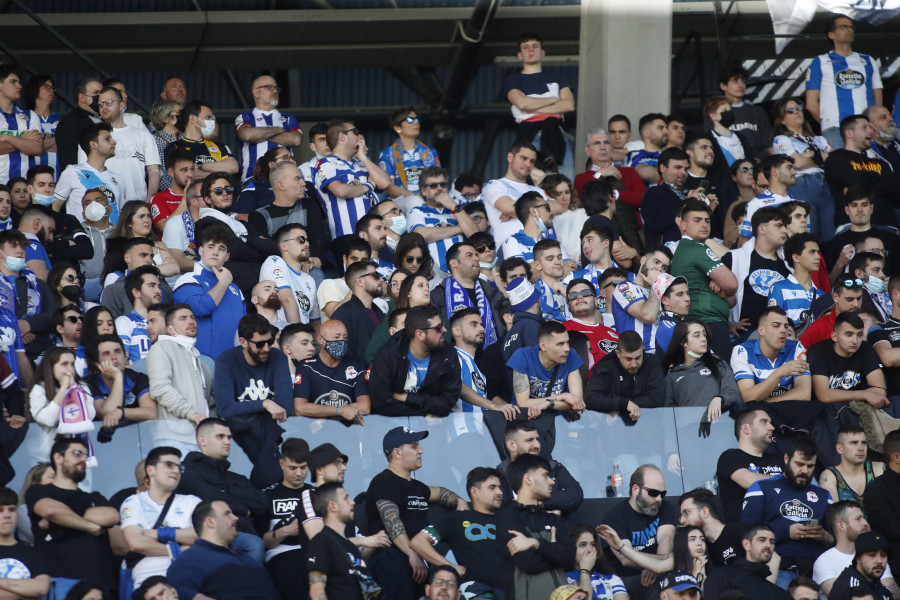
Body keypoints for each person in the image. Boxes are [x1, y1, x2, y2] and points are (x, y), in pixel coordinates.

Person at [364, 426, 467, 600]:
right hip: (393, 555)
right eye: (414, 446)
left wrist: (461, 502)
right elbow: (392, 522)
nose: (421, 450)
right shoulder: (384, 481)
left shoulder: (417, 486)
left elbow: (440, 492)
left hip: (420, 553)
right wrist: (411, 553)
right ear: (397, 453)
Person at [26, 438, 123, 596]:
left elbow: (111, 517)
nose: (84, 459)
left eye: (86, 455)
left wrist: (64, 517)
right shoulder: (39, 492)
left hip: (100, 586)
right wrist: (90, 525)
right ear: (58, 458)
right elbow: (50, 510)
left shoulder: (95, 496)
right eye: (78, 453)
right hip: (60, 582)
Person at [741, 435, 834, 582]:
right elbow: (746, 531)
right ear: (786, 458)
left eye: (810, 466)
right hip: (778, 568)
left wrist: (824, 536)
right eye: (799, 464)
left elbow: (839, 540)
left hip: (819, 571)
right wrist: (786, 531)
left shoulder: (824, 495)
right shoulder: (762, 488)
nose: (804, 471)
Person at [214, 314, 292, 488]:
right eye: (259, 344)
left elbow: (286, 407)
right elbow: (225, 409)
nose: (266, 348)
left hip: (276, 437)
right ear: (243, 342)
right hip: (240, 444)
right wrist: (264, 403)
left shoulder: (277, 357)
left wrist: (248, 408)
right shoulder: (226, 360)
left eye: (270, 342)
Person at [175, 418, 268, 563]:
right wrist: (245, 509)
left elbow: (262, 504)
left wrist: (226, 493)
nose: (227, 442)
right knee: (254, 545)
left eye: (229, 437)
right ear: (202, 441)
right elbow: (211, 499)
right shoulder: (189, 472)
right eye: (220, 436)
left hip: (243, 534)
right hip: (212, 539)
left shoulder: (236, 477)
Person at [409, 467, 506, 597]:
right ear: (475, 492)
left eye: (500, 487)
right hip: (477, 592)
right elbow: (418, 542)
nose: (499, 492)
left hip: (513, 590)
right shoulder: (457, 519)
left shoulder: (509, 519)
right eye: (492, 487)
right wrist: (451, 567)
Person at [808, 312, 887, 461]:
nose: (855, 340)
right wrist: (864, 394)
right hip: (828, 414)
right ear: (834, 336)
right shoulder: (819, 351)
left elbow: (880, 390)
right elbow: (823, 395)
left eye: (859, 335)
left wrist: (863, 395)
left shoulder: (866, 349)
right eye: (849, 334)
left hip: (857, 410)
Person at [496, 453, 576, 600]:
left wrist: (536, 543)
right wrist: (554, 551)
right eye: (545, 475)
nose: (551, 481)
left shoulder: (552, 519)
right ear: (528, 479)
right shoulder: (506, 517)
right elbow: (528, 563)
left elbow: (570, 558)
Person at [120, 446, 200, 589]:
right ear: (150, 470)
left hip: (188, 581)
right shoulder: (133, 502)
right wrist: (178, 549)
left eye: (179, 468)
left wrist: (159, 533)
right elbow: (136, 542)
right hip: (149, 587)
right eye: (169, 465)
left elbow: (203, 536)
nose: (176, 471)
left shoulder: (191, 502)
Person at [166, 500, 280, 600]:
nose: (235, 518)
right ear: (211, 522)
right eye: (227, 514)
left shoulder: (247, 558)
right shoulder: (190, 559)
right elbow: (178, 591)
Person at [805, 15, 883, 150]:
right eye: (843, 27)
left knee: (871, 169)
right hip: (835, 129)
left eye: (851, 27)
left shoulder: (868, 61)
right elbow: (811, 104)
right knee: (842, 169)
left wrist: (873, 124)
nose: (849, 30)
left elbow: (878, 98)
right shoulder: (820, 61)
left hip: (866, 129)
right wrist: (828, 124)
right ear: (831, 34)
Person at [600, 464, 677, 598]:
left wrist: (657, 567)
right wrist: (660, 562)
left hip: (658, 575)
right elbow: (625, 558)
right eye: (653, 493)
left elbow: (666, 538)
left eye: (662, 494)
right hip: (626, 579)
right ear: (635, 489)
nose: (659, 498)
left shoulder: (664, 507)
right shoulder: (615, 517)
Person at [369, 304, 461, 416]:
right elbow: (381, 403)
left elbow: (448, 401)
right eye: (439, 327)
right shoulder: (388, 355)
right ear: (420, 334)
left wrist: (408, 398)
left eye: (443, 325)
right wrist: (425, 413)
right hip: (392, 425)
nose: (445, 330)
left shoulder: (448, 354)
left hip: (434, 426)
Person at [147, 303, 213, 456]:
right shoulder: (161, 348)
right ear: (170, 329)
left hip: (201, 440)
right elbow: (160, 388)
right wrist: (191, 414)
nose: (191, 321)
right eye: (183, 318)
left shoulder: (198, 358)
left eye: (192, 317)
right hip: (174, 439)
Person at [173, 223, 245, 359]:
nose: (215, 252)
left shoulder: (235, 289)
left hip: (233, 362)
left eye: (221, 249)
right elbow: (201, 308)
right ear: (200, 251)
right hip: (200, 361)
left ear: (227, 256)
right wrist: (224, 282)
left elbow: (244, 327)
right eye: (210, 247)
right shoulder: (187, 279)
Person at [313, 120, 391, 242]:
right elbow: (341, 191)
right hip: (347, 235)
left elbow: (385, 183)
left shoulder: (362, 164)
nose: (359, 136)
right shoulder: (325, 164)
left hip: (374, 235)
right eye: (355, 132)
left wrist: (363, 157)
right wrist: (369, 185)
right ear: (342, 137)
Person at [261, 438, 316, 600]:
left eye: (303, 468)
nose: (298, 473)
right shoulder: (267, 496)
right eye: (292, 468)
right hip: (283, 555)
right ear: (281, 464)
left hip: (315, 554)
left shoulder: (317, 494)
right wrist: (286, 530)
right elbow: (261, 543)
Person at [772, 97, 833, 240]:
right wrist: (820, 157)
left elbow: (834, 160)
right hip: (802, 184)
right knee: (809, 234)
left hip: (826, 183)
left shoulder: (820, 139)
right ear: (782, 119)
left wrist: (810, 155)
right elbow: (797, 163)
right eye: (790, 111)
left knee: (830, 233)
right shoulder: (781, 139)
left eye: (799, 108)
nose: (796, 112)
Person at [813, 500, 900, 598]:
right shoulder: (825, 561)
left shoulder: (878, 556)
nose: (865, 523)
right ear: (841, 525)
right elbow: (842, 597)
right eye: (858, 519)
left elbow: (895, 594)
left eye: (864, 518)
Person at [824, 115, 897, 230]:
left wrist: (861, 186)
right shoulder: (836, 158)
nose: (870, 131)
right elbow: (854, 182)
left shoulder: (880, 163)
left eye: (870, 127)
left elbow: (895, 191)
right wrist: (878, 185)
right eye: (864, 127)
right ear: (849, 133)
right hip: (852, 226)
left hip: (887, 225)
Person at [306, 482, 377, 600]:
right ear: (333, 506)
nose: (352, 502)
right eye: (346, 498)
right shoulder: (322, 541)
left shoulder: (350, 546)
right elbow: (317, 592)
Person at [292, 318, 371, 424]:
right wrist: (340, 411)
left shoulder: (356, 365)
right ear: (320, 339)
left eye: (345, 337)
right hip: (315, 433)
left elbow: (365, 407)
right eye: (336, 337)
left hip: (348, 432)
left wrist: (323, 415)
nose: (341, 342)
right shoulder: (306, 366)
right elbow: (300, 408)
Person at [662, 319, 742, 423]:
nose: (704, 339)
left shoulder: (718, 365)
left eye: (704, 335)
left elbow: (734, 395)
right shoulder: (671, 377)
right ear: (683, 342)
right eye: (697, 335)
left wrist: (719, 399)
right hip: (687, 433)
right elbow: (669, 418)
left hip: (721, 427)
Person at [90, 86, 160, 203]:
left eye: (108, 102)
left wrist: (149, 199)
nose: (104, 107)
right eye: (101, 104)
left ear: (122, 105)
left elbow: (154, 170)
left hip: (137, 205)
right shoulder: (93, 136)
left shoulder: (143, 135)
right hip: (105, 206)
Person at [496, 420, 583, 512]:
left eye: (537, 439)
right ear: (512, 445)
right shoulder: (498, 477)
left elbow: (576, 494)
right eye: (529, 440)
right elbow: (499, 508)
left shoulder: (554, 468)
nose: (537, 445)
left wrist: (540, 503)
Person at [431, 241, 505, 349]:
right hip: (455, 359)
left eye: (476, 255)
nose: (476, 258)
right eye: (469, 255)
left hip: (492, 358)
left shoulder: (492, 294)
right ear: (454, 263)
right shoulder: (437, 296)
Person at [715, 408, 784, 523]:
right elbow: (751, 482)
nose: (771, 427)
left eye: (770, 422)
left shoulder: (777, 459)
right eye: (764, 422)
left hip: (781, 525)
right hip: (746, 531)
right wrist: (786, 482)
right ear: (746, 428)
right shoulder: (730, 456)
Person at [509, 319, 586, 420]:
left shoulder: (571, 355)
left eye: (567, 343)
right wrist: (563, 396)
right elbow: (523, 403)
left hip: (556, 422)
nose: (567, 348)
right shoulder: (523, 356)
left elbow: (576, 402)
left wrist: (547, 403)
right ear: (543, 346)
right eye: (560, 344)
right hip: (525, 421)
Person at [585, 330, 664, 423]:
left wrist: (622, 408)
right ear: (618, 353)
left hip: (647, 424)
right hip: (615, 426)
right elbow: (591, 398)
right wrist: (624, 403)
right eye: (628, 359)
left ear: (643, 349)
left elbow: (656, 398)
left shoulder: (651, 362)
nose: (634, 364)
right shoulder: (606, 365)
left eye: (638, 358)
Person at [448, 306, 515, 415]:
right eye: (474, 325)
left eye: (481, 325)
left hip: (481, 429)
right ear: (456, 331)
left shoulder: (477, 369)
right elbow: (455, 386)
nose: (481, 329)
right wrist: (493, 405)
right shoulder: (452, 357)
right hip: (461, 429)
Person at [53, 123, 125, 224]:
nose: (114, 142)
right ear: (93, 144)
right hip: (83, 237)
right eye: (107, 139)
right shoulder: (72, 172)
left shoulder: (119, 179)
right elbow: (55, 206)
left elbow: (121, 214)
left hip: (111, 238)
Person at [235, 75, 301, 183]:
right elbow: (246, 135)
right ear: (256, 92)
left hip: (287, 178)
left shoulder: (288, 118)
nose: (275, 91)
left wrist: (259, 134)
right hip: (253, 178)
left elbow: (295, 139)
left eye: (276, 88)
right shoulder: (245, 116)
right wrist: (279, 130)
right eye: (269, 87)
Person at [482, 139, 547, 247]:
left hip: (539, 250)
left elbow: (558, 207)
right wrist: (542, 209)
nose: (528, 164)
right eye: (524, 158)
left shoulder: (538, 190)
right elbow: (508, 208)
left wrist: (517, 209)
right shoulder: (495, 185)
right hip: (509, 250)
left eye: (532, 161)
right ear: (510, 157)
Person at [702, 523, 791, 600]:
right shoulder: (721, 576)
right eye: (762, 540)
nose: (768, 545)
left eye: (772, 542)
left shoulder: (780, 594)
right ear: (746, 544)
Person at [610, 246, 672, 353]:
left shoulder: (662, 293)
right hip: (639, 356)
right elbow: (648, 316)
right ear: (643, 260)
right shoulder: (624, 288)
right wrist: (655, 285)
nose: (659, 269)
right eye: (656, 262)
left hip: (662, 354)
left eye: (664, 267)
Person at [259, 222, 320, 326]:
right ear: (284, 245)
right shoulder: (275, 262)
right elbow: (286, 299)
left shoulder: (309, 279)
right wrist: (298, 335)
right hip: (279, 336)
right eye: (301, 239)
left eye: (307, 240)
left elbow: (315, 321)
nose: (307, 244)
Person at [377, 106, 441, 197]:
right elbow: (389, 188)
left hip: (429, 200)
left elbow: (439, 182)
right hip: (401, 203)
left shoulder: (430, 151)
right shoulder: (387, 154)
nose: (416, 122)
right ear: (397, 127)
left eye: (417, 119)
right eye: (410, 119)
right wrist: (416, 198)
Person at [167, 101, 241, 178]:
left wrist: (200, 165)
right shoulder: (175, 147)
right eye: (208, 117)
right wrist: (219, 174)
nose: (212, 121)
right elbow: (186, 174)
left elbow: (233, 167)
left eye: (212, 118)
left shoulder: (219, 146)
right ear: (192, 119)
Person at [0, 485, 50, 598]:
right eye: (0, 510)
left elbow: (41, 588)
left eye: (12, 510)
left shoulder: (33, 553)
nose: (7, 515)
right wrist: (25, 590)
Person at [679, 488, 748, 568]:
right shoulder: (702, 548)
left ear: (704, 512)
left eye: (686, 513)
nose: (682, 520)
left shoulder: (739, 531)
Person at [331, 260, 385, 360]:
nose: (381, 279)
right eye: (375, 275)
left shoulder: (379, 313)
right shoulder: (343, 314)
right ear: (360, 281)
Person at [768, 232, 823, 329]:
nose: (818, 257)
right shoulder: (778, 289)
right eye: (812, 252)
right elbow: (774, 326)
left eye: (818, 252)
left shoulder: (822, 295)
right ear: (796, 257)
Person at [819, 425, 885, 505]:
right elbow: (833, 512)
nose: (861, 448)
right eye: (853, 443)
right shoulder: (830, 475)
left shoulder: (879, 468)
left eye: (864, 443)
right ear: (840, 449)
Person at [719, 64, 773, 160]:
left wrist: (760, 158)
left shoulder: (758, 112)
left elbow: (767, 145)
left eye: (743, 81)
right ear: (723, 86)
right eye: (735, 81)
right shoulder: (716, 113)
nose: (741, 85)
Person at [739, 154, 799, 241]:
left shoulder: (800, 204)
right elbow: (745, 241)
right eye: (789, 168)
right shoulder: (757, 203)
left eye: (794, 168)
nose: (794, 172)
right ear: (774, 171)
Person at [563, 278, 620, 369]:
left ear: (596, 301)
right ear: (568, 305)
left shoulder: (613, 334)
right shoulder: (562, 330)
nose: (579, 297)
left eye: (585, 293)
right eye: (573, 296)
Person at [0, 66, 42, 185]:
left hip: (27, 186)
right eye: (13, 82)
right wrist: (24, 141)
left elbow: (37, 148)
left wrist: (8, 138)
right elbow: (31, 146)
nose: (19, 86)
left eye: (19, 82)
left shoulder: (29, 115)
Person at [565, 525, 628, 600]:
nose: (590, 550)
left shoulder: (611, 578)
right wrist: (585, 571)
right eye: (582, 545)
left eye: (593, 544)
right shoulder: (563, 579)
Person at [55, 76, 102, 173]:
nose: (101, 97)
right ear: (82, 98)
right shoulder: (70, 122)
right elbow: (68, 159)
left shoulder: (105, 120)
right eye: (96, 93)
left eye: (102, 93)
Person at [800, 278, 864, 349]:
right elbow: (798, 353)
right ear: (835, 297)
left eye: (859, 299)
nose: (856, 304)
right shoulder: (819, 327)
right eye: (849, 299)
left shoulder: (867, 323)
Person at [116, 265, 162, 363]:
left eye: (159, 286)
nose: (158, 291)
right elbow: (121, 362)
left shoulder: (166, 322)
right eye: (152, 286)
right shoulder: (124, 322)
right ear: (136, 292)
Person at [827, 531, 892, 600]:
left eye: (883, 555)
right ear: (858, 558)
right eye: (872, 555)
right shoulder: (851, 588)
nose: (879, 561)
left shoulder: (884, 590)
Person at [150, 147, 194, 234]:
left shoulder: (201, 196)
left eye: (192, 169)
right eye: (184, 170)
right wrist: (185, 199)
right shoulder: (158, 198)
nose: (190, 174)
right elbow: (165, 228)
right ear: (171, 172)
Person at [625, 113, 670, 187]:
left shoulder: (670, 157)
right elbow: (645, 174)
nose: (666, 131)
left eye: (666, 128)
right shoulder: (634, 155)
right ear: (646, 133)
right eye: (660, 128)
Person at [653, 273, 691, 357]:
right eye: (680, 294)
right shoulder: (670, 328)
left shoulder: (671, 324)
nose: (687, 299)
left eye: (687, 293)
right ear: (665, 300)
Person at [149, 100, 183, 193]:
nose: (183, 116)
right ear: (165, 117)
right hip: (169, 196)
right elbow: (160, 175)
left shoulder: (184, 138)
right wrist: (176, 192)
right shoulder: (155, 141)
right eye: (179, 112)